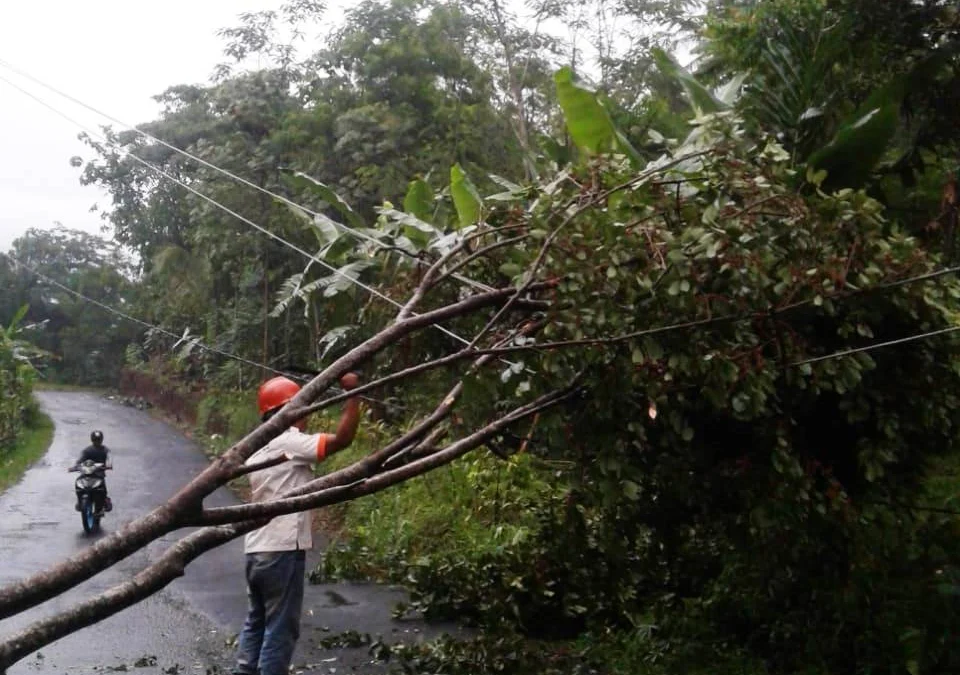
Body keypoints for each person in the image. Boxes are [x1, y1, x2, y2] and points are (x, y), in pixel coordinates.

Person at [233, 372, 362, 675]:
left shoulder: (256, 447)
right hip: (282, 549)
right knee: (281, 628)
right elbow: (343, 440)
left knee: (257, 621)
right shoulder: (288, 441)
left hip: (255, 550)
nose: (307, 418)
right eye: (303, 410)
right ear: (290, 411)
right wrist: (354, 395)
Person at [72, 430, 112, 512]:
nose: (97, 441)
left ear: (101, 440)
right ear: (92, 440)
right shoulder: (87, 450)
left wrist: (108, 465)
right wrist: (76, 466)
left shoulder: (106, 450)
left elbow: (109, 459)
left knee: (103, 489)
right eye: (95, 440)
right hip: (87, 473)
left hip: (99, 474)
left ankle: (105, 500)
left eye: (99, 439)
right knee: (78, 482)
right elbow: (80, 459)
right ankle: (79, 501)